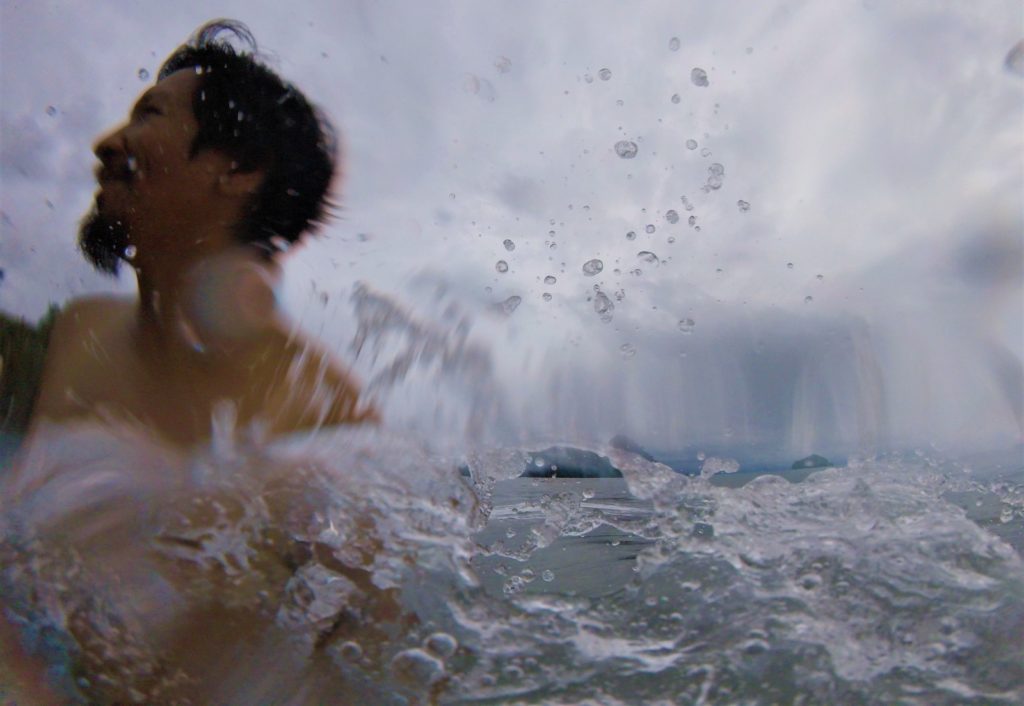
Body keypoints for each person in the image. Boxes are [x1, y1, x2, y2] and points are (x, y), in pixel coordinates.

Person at [26, 19, 375, 448]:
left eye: (149, 114)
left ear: (239, 169)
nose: (105, 143)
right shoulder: (81, 331)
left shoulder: (328, 417)